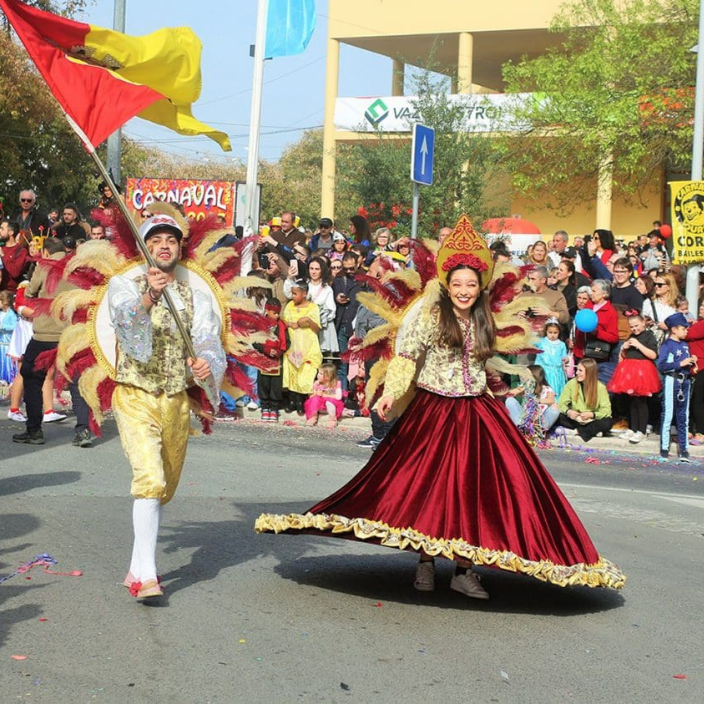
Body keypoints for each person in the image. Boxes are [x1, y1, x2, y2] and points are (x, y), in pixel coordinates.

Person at [256, 217, 625, 597]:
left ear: (480, 287)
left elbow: (487, 365)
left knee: (476, 493)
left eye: (471, 284)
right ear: (447, 285)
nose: (464, 290)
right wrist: (391, 393)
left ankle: (464, 570)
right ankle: (426, 563)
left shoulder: (484, 319)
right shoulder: (431, 316)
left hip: (478, 413)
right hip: (434, 410)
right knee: (427, 490)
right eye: (458, 284)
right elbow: (406, 356)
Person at [109, 214, 226, 598]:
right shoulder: (124, 287)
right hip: (135, 395)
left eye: (171, 240)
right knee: (150, 479)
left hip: (175, 401)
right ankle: (148, 576)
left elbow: (208, 338)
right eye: (156, 240)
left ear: (179, 248)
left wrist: (206, 362)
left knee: (163, 489)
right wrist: (150, 297)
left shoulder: (196, 297)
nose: (164, 246)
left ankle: (135, 567)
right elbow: (124, 324)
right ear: (143, 248)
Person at [12, 238, 75, 445]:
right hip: (68, 333)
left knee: (30, 376)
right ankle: (83, 429)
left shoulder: (44, 266)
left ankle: (34, 430)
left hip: (44, 334)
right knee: (76, 380)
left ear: (46, 252)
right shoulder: (74, 268)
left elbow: (30, 293)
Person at [607, 312, 660, 444]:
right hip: (630, 372)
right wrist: (623, 349)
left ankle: (641, 430)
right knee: (631, 401)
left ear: (643, 323)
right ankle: (633, 427)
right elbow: (623, 357)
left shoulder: (649, 336)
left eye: (636, 325)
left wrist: (638, 345)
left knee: (641, 402)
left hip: (643, 372)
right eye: (631, 327)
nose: (634, 329)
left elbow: (653, 355)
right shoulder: (631, 336)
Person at [657, 312, 697, 462]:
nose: (686, 331)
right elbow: (662, 365)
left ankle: (684, 449)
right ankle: (664, 448)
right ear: (674, 329)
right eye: (684, 328)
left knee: (683, 416)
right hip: (671, 381)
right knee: (668, 414)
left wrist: (692, 362)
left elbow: (687, 364)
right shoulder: (667, 345)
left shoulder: (685, 345)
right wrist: (680, 363)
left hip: (684, 382)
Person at [282, 279, 322, 414]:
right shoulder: (289, 306)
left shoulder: (313, 307)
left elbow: (317, 328)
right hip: (293, 346)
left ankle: (301, 402)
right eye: (292, 293)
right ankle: (292, 401)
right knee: (292, 372)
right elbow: (285, 322)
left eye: (295, 294)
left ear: (304, 294)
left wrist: (308, 320)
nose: (292, 296)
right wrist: (292, 324)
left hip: (308, 346)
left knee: (305, 374)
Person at [557, 358, 614, 442]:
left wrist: (592, 415)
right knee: (558, 416)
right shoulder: (571, 383)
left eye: (580, 370)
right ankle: (591, 431)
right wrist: (568, 411)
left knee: (608, 422)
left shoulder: (600, 387)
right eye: (577, 370)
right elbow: (561, 403)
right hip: (576, 419)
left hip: (592, 420)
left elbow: (606, 410)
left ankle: (577, 431)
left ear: (589, 372)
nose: (577, 373)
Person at [255, 298, 288, 423]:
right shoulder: (259, 325)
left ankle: (274, 408)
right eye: (274, 313)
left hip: (277, 360)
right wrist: (266, 349)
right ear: (267, 311)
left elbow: (287, 342)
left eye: (278, 313)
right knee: (263, 383)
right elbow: (254, 341)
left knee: (275, 385)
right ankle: (265, 407)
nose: (277, 315)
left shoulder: (282, 326)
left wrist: (279, 352)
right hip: (263, 358)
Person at [505, 364, 560, 437]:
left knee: (555, 407)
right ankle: (521, 428)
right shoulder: (525, 386)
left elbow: (551, 400)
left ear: (535, 376)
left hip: (539, 420)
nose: (524, 376)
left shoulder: (546, 388)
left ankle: (539, 431)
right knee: (509, 400)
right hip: (525, 419)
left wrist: (537, 401)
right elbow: (512, 393)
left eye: (527, 374)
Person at [332, 252, 361, 390]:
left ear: (358, 264)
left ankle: (356, 394)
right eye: (346, 268)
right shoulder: (338, 279)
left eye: (351, 268)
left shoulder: (364, 280)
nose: (348, 271)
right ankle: (343, 394)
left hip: (358, 327)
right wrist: (337, 298)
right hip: (342, 324)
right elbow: (333, 295)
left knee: (358, 365)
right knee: (342, 364)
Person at [307, 257, 338, 361]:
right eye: (311, 268)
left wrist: (321, 316)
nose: (313, 272)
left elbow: (331, 310)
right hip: (305, 326)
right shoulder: (304, 285)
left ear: (322, 270)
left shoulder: (327, 289)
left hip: (323, 328)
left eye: (317, 269)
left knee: (324, 357)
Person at [642, 271, 678, 346]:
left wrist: (669, 327)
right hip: (653, 343)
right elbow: (642, 322)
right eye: (654, 284)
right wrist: (645, 322)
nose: (656, 287)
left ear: (669, 287)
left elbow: (683, 325)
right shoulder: (648, 302)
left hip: (671, 343)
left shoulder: (677, 303)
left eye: (660, 285)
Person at [304, 362, 344, 429]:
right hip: (320, 407)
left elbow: (338, 397)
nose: (318, 375)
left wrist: (324, 395)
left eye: (321, 374)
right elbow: (310, 397)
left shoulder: (336, 384)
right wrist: (316, 393)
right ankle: (313, 417)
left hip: (331, 407)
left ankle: (332, 419)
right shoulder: (317, 384)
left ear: (328, 376)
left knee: (329, 401)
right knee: (314, 399)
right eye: (318, 373)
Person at [534, 318, 568, 397]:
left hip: (557, 373)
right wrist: (537, 329)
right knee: (544, 391)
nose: (552, 335)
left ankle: (556, 402)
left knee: (556, 391)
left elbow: (564, 356)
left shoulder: (561, 344)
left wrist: (566, 359)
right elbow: (530, 339)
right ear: (546, 331)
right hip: (544, 372)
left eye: (555, 332)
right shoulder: (541, 342)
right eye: (550, 332)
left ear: (559, 332)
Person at [686, 299, 704, 444]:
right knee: (692, 399)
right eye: (702, 305)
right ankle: (691, 430)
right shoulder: (699, 323)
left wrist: (678, 325)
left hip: (702, 365)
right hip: (694, 365)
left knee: (698, 400)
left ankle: (701, 432)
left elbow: (687, 334)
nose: (702, 308)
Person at [0, 219, 30, 293]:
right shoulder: (1, 247)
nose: (0, 231)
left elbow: (15, 272)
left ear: (11, 232)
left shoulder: (21, 251)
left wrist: (3, 255)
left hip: (10, 293)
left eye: (2, 229)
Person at [0, 290, 19, 384]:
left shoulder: (11, 314)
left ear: (5, 302)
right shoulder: (1, 313)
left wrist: (2, 327)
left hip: (7, 343)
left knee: (7, 362)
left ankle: (9, 378)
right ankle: (2, 377)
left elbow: (15, 326)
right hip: (1, 342)